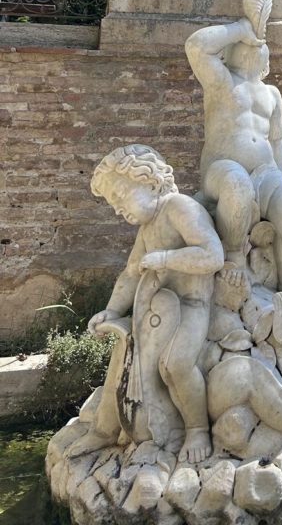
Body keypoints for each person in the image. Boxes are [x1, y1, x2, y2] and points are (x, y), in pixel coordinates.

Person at [67, 145, 224, 464]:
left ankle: (197, 429)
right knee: (122, 352)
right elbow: (129, 274)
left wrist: (167, 259)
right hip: (156, 311)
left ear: (151, 183)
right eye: (113, 204)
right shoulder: (147, 228)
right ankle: (105, 429)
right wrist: (112, 311)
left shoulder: (181, 207)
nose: (117, 209)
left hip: (191, 306)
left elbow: (213, 255)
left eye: (121, 196)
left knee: (176, 364)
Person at [184, 0, 282, 304]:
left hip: (265, 173)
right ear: (227, 54)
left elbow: (277, 140)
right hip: (222, 170)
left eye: (259, 42)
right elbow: (196, 46)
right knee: (237, 188)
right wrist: (241, 28)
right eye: (244, 43)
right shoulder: (222, 82)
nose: (255, 44)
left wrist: (280, 180)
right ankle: (233, 258)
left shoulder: (271, 94)